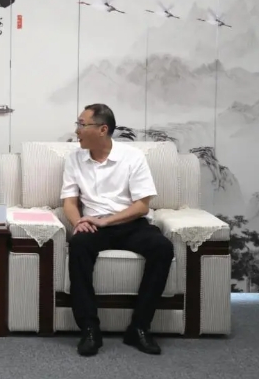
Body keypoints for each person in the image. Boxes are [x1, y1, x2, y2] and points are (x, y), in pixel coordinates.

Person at [60, 104, 174, 356]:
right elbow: (69, 202)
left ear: (102, 129)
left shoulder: (132, 157)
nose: (77, 130)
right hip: (93, 225)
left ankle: (140, 327)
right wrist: (79, 222)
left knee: (162, 247)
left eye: (82, 125)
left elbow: (142, 206)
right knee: (78, 245)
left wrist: (108, 221)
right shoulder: (74, 159)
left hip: (129, 223)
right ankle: (89, 329)